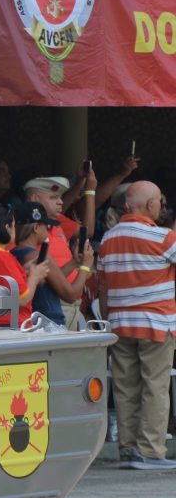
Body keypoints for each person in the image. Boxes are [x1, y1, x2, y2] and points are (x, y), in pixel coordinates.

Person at [97, 181, 176, 471]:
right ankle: (151, 451)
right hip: (156, 323)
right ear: (150, 205)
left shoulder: (107, 239)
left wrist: (109, 319)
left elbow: (103, 288)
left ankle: (128, 449)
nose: (161, 206)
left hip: (119, 324)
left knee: (125, 387)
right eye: (159, 201)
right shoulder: (163, 238)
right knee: (155, 386)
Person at [23, 175, 92, 329]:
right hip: (54, 304)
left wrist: (75, 262)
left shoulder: (56, 224)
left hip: (71, 304)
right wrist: (85, 267)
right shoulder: (28, 234)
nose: (61, 201)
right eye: (54, 197)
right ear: (35, 198)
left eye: (60, 197)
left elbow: (52, 273)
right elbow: (47, 280)